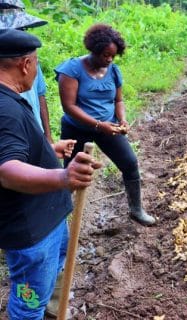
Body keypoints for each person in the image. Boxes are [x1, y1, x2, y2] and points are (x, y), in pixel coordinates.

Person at [0, 28, 101, 320]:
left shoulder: (10, 99)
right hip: (32, 232)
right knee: (28, 302)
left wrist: (47, 150)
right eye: (37, 62)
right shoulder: (5, 108)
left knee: (46, 283)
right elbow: (6, 170)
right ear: (25, 64)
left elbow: (14, 150)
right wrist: (63, 178)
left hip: (46, 219)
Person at [55, 23, 155, 226]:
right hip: (77, 129)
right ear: (93, 49)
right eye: (105, 55)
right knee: (71, 174)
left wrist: (122, 120)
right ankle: (59, 217)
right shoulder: (72, 69)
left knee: (129, 162)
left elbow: (118, 100)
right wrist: (99, 125)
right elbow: (69, 107)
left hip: (108, 127)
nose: (109, 60)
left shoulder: (114, 70)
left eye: (113, 56)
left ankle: (136, 209)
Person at [0, 0, 53, 143]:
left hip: (34, 133)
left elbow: (40, 95)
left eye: (23, 30)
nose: (21, 36)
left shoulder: (29, 57)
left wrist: (47, 137)